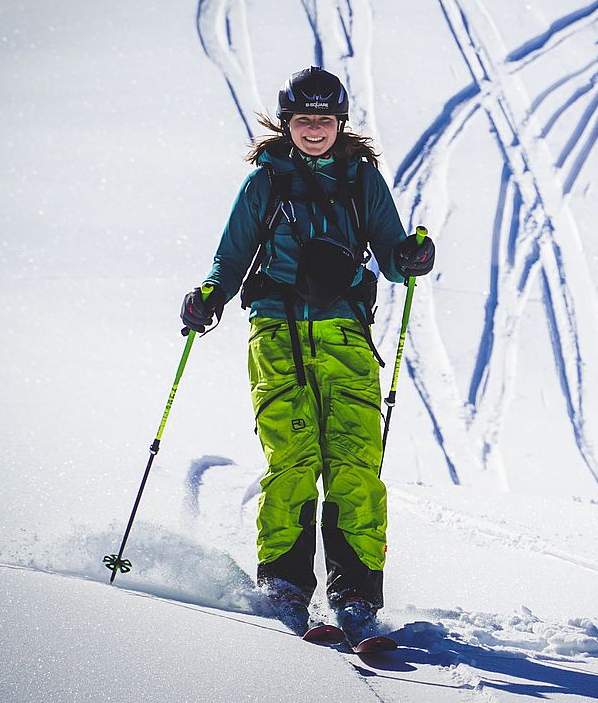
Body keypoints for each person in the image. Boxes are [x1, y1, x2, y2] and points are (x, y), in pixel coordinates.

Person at [179, 66, 435, 637]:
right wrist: (209, 297)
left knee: (354, 464)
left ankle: (358, 595)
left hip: (345, 335)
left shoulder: (361, 181)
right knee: (292, 461)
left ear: (339, 122)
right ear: (287, 123)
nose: (314, 129)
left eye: (324, 119)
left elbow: (393, 255)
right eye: (303, 120)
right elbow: (233, 254)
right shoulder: (264, 184)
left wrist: (411, 256)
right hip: (277, 333)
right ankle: (285, 584)